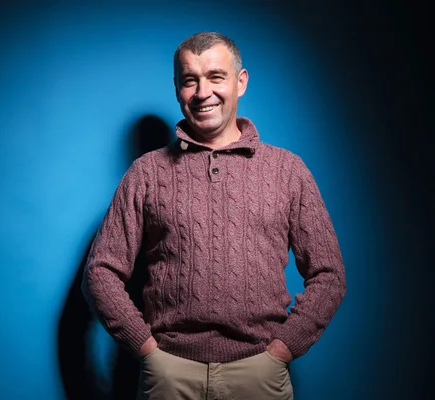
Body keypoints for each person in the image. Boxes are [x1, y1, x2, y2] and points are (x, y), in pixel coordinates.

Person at [81, 31, 346, 400]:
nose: (203, 92)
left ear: (240, 82)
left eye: (215, 77)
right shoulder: (146, 173)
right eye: (190, 80)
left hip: (259, 374)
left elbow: (329, 273)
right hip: (169, 376)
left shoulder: (288, 171)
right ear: (177, 89)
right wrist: (147, 350)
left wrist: (283, 349)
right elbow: (100, 272)